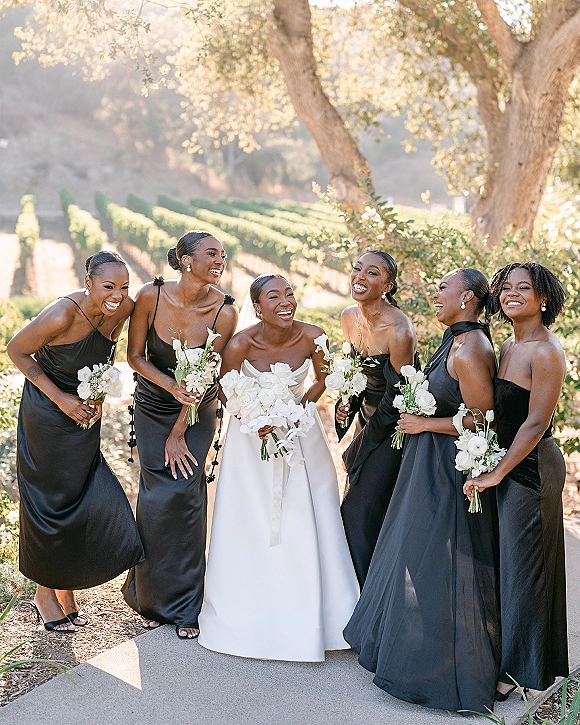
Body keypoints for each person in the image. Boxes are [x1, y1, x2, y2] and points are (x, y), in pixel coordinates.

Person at [344, 268, 501, 714]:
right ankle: (414, 646)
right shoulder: (456, 338)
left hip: (446, 470)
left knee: (438, 563)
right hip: (426, 460)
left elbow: (484, 418)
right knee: (417, 553)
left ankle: (442, 668)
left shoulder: (470, 349)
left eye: (442, 289)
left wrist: (423, 423)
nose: (435, 294)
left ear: (467, 298)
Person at [198, 274, 359, 662]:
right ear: (258, 307)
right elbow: (225, 390)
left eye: (290, 294)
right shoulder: (240, 344)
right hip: (251, 440)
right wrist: (256, 415)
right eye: (275, 296)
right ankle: (253, 612)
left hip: (301, 433)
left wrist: (297, 407)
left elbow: (321, 380)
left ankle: (319, 616)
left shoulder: (312, 336)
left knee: (306, 514)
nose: (286, 301)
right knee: (251, 518)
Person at [7, 251, 143, 632]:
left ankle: (65, 587)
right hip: (48, 416)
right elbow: (16, 350)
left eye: (124, 286)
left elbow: (106, 355)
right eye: (108, 287)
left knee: (82, 497)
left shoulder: (123, 308)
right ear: (88, 283)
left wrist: (97, 395)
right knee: (50, 503)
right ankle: (44, 594)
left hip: (84, 418)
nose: (118, 295)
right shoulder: (62, 313)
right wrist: (63, 400)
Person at [122, 230, 237, 639]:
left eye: (223, 255)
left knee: (186, 493)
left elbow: (208, 374)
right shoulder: (151, 297)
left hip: (196, 410)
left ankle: (188, 606)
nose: (219, 260)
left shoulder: (224, 311)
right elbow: (134, 356)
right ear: (186, 259)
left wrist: (180, 428)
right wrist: (170, 388)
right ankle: (149, 598)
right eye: (211, 254)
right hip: (153, 405)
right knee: (155, 497)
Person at [464, 262, 568, 700]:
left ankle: (520, 672)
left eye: (523, 288)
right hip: (508, 463)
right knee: (508, 566)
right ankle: (512, 657)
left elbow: (535, 423)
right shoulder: (509, 344)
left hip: (531, 471)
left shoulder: (546, 352)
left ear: (542, 298)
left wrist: (496, 473)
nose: (511, 294)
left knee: (524, 572)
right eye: (505, 288)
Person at [336, 251, 418, 585]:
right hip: (366, 418)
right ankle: (353, 599)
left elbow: (397, 398)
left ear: (387, 285)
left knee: (357, 512)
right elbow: (355, 375)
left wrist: (359, 447)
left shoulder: (399, 331)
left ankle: (370, 602)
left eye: (372, 273)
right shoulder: (348, 317)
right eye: (357, 269)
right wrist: (345, 405)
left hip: (393, 427)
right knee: (357, 512)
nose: (360, 277)